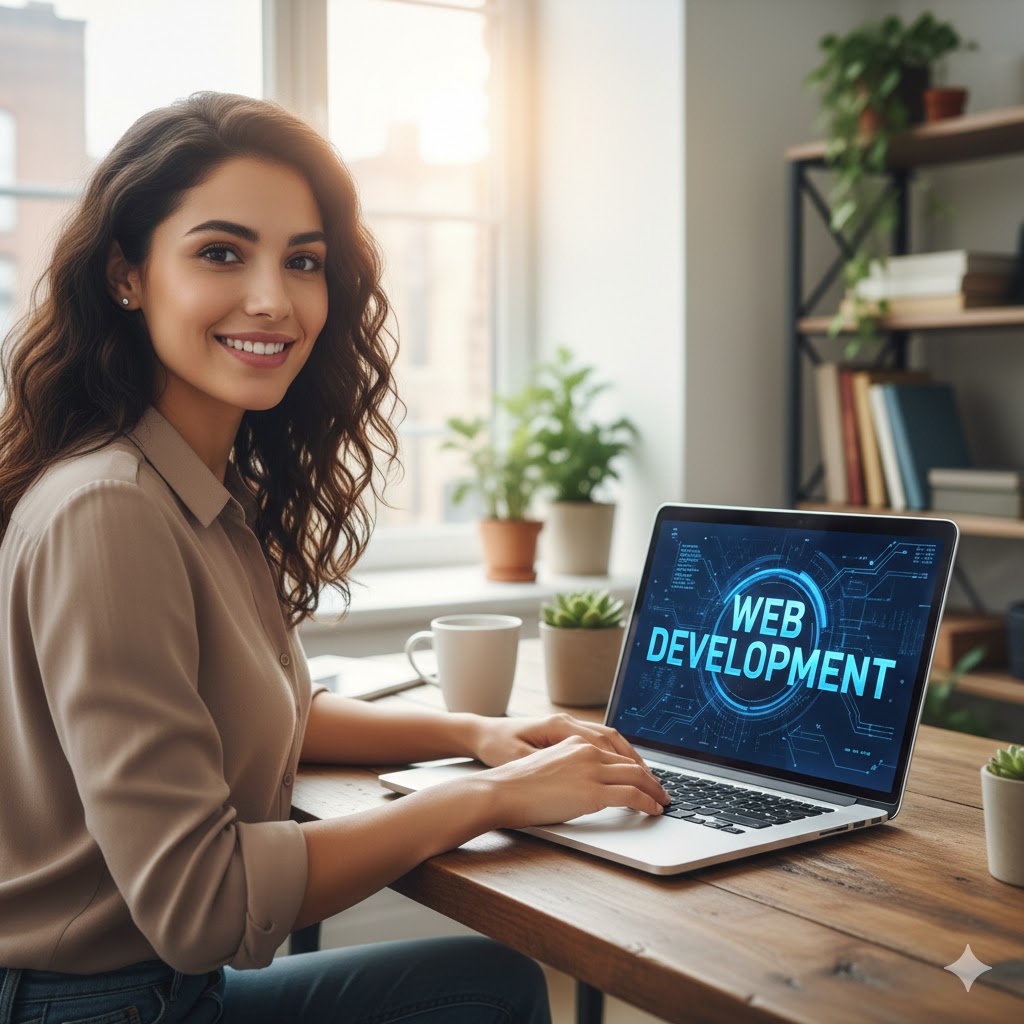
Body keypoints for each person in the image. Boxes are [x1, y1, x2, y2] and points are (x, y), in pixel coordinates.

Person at [0, 92, 669, 1024]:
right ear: (126, 273)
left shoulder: (181, 489)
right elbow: (206, 908)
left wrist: (475, 739)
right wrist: (494, 799)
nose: (273, 298)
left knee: (490, 984)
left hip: (139, 991)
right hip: (92, 1005)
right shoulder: (111, 510)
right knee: (487, 991)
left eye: (303, 261)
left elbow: (263, 713)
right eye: (221, 253)